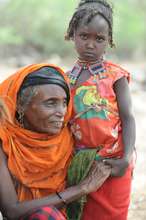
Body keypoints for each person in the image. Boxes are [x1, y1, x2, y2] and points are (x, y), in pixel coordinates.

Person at [0, 64, 111, 220]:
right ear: (20, 106)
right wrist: (82, 188)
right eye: (50, 103)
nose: (61, 112)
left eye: (64, 103)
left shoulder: (68, 138)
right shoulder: (5, 141)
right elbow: (11, 211)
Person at [65, 0, 136, 219]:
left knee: (112, 213)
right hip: (78, 163)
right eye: (84, 36)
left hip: (112, 163)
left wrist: (125, 158)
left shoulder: (116, 76)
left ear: (109, 41)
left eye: (99, 39)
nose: (90, 44)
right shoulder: (65, 79)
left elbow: (128, 117)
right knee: (82, 212)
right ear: (71, 35)